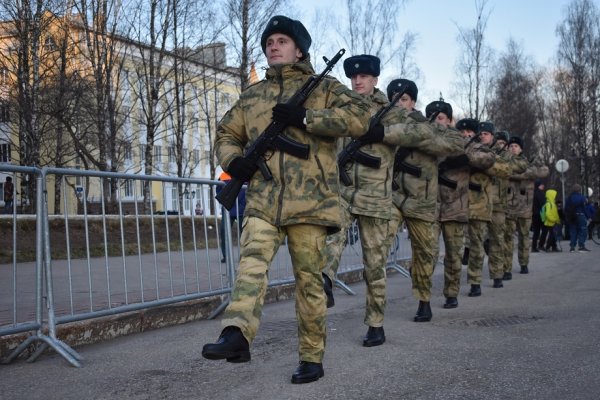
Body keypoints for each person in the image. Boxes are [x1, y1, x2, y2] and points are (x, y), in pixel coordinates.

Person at [201, 15, 371, 384]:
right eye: (269, 42)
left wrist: (307, 118)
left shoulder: (324, 87)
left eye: (281, 41)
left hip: (309, 204)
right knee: (251, 266)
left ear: (298, 50)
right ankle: (237, 334)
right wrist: (235, 160)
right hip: (264, 199)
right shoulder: (254, 96)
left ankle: (311, 356)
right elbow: (225, 133)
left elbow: (361, 118)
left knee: (309, 282)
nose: (273, 46)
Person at [321, 54, 397, 347]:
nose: (357, 81)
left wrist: (383, 132)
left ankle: (376, 323)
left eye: (364, 76)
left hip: (376, 198)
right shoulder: (342, 104)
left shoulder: (388, 109)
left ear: (375, 79)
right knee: (331, 240)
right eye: (354, 77)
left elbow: (415, 132)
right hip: (343, 190)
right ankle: (325, 281)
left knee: (374, 265)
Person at [382, 79, 463, 322]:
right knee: (377, 247)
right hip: (393, 198)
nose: (398, 104)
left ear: (413, 102)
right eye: (394, 99)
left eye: (403, 99)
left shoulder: (427, 126)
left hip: (423, 201)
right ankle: (375, 311)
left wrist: (411, 135)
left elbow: (455, 143)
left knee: (425, 254)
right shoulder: (383, 123)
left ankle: (424, 299)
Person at [438, 117, 494, 309]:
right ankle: (450, 290)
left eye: (470, 131)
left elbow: (491, 162)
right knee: (456, 251)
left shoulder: (481, 150)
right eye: (463, 132)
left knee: (476, 246)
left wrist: (465, 157)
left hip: (478, 207)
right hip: (452, 204)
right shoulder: (449, 143)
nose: (466, 134)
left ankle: (475, 280)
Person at [465, 122, 512, 297]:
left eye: (486, 133)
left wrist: (482, 163)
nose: (482, 136)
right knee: (476, 244)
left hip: (498, 205)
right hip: (477, 204)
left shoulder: (498, 154)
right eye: (481, 133)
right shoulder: (472, 149)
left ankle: (497, 274)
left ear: (493, 136)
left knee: (496, 241)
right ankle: (475, 281)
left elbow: (506, 169)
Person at [504, 136, 549, 276]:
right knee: (508, 239)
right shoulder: (504, 161)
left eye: (516, 146)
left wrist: (522, 174)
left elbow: (544, 171)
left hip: (525, 206)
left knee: (524, 238)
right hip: (509, 206)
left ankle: (524, 264)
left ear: (521, 148)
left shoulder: (528, 162)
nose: (513, 148)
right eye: (511, 146)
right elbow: (504, 171)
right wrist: (525, 175)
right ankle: (506, 268)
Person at [216, 172, 246, 263]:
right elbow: (218, 190)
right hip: (228, 208)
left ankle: (246, 256)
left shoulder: (246, 171)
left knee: (245, 234)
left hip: (242, 210)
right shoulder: (223, 175)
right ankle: (226, 256)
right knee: (224, 232)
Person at [565, 184, 591, 252]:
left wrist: (567, 216)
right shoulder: (582, 197)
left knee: (573, 231)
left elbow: (566, 208)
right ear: (580, 190)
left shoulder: (569, 198)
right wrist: (588, 216)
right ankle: (581, 246)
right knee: (582, 231)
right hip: (580, 215)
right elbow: (584, 208)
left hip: (572, 216)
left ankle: (572, 247)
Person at [531, 179, 546, 252]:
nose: (543, 186)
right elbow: (543, 204)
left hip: (534, 214)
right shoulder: (540, 193)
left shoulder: (532, 193)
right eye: (541, 185)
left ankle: (534, 247)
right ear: (538, 185)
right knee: (544, 230)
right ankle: (540, 245)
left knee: (536, 232)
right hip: (540, 214)